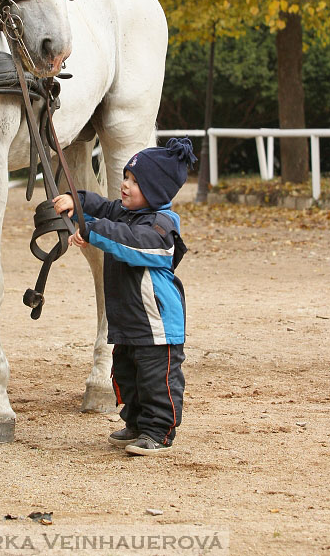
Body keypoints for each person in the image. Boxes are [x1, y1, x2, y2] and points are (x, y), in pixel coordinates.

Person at [53, 137, 196, 456]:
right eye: (126, 178)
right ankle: (135, 423)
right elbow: (102, 208)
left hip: (157, 324)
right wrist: (76, 202)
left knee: (156, 379)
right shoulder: (123, 214)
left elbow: (133, 242)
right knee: (127, 374)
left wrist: (94, 231)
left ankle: (158, 430)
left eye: (136, 181)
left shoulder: (161, 226)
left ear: (157, 190)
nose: (126, 185)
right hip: (129, 321)